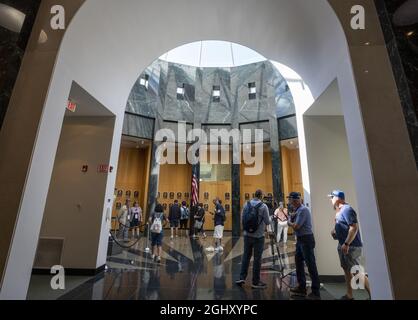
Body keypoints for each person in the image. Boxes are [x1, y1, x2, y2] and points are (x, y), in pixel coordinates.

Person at [328, 190, 371, 300]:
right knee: (347, 270)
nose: (330, 200)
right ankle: (349, 295)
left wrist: (347, 243)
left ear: (337, 198)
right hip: (343, 246)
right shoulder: (340, 211)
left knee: (357, 271)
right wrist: (334, 231)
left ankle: (373, 295)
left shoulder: (347, 210)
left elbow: (354, 227)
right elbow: (343, 227)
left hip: (351, 247)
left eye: (331, 197)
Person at [287, 192, 321, 300]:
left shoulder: (302, 210)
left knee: (310, 265)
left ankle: (316, 291)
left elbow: (297, 226)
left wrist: (289, 222)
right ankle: (301, 286)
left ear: (295, 200)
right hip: (301, 240)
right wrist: (292, 217)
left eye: (290, 200)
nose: (289, 202)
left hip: (306, 240)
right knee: (298, 263)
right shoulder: (297, 210)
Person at [235, 189, 271, 289]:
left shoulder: (246, 204)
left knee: (246, 256)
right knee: (257, 259)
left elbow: (242, 218)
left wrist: (246, 230)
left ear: (254, 195)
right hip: (259, 236)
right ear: (262, 196)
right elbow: (267, 221)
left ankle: (242, 278)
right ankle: (255, 281)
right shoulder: (263, 206)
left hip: (247, 235)